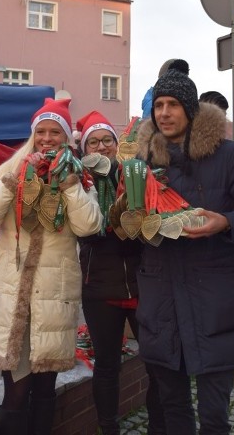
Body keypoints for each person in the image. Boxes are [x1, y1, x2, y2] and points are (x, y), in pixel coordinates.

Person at [135, 66, 234, 434]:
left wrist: (226, 223)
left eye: (172, 104)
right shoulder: (142, 164)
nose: (164, 113)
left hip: (213, 302)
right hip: (162, 302)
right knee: (173, 410)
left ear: (189, 108)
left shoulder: (228, 156)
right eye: (159, 105)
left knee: (215, 417)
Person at [0, 98, 103, 435]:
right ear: (32, 136)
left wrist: (71, 184)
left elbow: (89, 226)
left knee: (45, 390)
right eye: (41, 131)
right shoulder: (9, 169)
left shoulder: (81, 178)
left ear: (66, 138)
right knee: (14, 390)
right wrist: (14, 181)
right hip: (11, 297)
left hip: (52, 299)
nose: (47, 138)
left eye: (55, 132)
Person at [75, 111, 165, 435]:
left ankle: (159, 426)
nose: (101, 147)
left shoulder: (135, 175)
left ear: (116, 144)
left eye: (107, 140)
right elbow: (83, 232)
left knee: (158, 365)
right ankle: (108, 429)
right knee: (108, 366)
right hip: (100, 289)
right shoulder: (79, 183)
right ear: (85, 149)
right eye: (93, 142)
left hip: (142, 287)